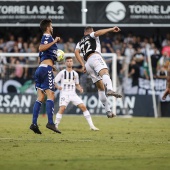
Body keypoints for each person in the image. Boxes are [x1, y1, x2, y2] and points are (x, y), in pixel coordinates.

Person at [75, 26, 122, 118]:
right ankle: (110, 89)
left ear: (84, 33)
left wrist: (83, 65)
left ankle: (108, 111)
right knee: (105, 73)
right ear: (90, 32)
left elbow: (76, 52)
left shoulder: (79, 42)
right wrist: (111, 29)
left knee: (100, 88)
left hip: (88, 63)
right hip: (95, 57)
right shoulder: (92, 35)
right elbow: (97, 33)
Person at [30, 19, 61, 134]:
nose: (52, 28)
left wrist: (50, 65)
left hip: (41, 69)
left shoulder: (47, 37)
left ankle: (34, 123)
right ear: (48, 27)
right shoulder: (48, 36)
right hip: (45, 69)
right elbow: (41, 48)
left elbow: (41, 57)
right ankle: (50, 123)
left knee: (40, 97)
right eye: (51, 26)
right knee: (51, 95)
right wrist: (55, 41)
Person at [54, 57, 99, 131]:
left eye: (70, 61)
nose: (69, 62)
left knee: (83, 107)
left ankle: (91, 126)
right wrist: (58, 87)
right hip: (64, 94)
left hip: (73, 94)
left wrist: (80, 88)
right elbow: (54, 81)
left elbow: (77, 84)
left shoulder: (75, 74)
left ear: (72, 63)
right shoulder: (62, 73)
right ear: (65, 63)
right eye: (68, 61)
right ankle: (55, 125)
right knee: (62, 109)